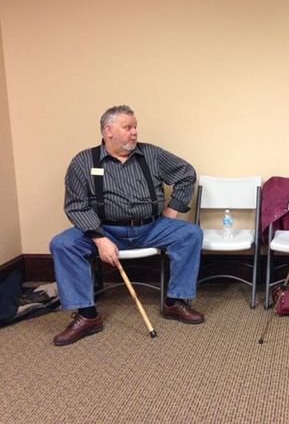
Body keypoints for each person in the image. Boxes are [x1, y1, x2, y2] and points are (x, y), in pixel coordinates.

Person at [50, 105, 204, 346]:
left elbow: (186, 173)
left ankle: (175, 302)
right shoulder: (83, 161)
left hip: (151, 228)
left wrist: (172, 209)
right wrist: (99, 238)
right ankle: (87, 315)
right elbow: (75, 205)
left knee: (191, 234)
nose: (134, 132)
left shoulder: (151, 154)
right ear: (108, 131)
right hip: (105, 229)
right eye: (128, 127)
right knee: (62, 244)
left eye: (135, 127)